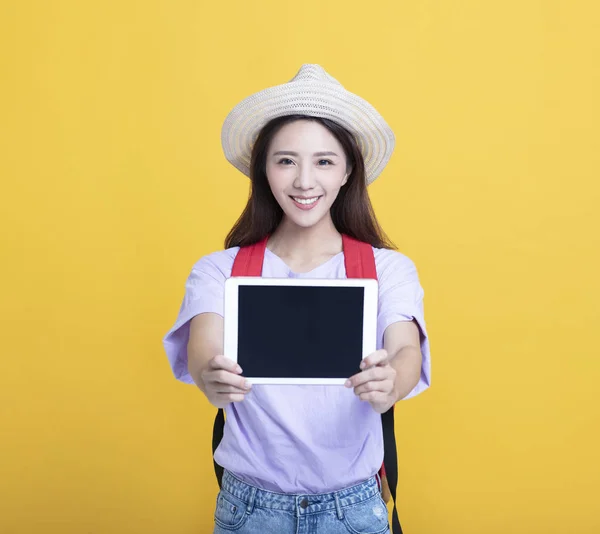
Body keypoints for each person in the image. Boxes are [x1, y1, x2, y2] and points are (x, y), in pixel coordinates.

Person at [163, 64, 431, 534]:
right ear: (264, 170)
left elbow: (406, 346)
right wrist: (212, 377)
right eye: (286, 160)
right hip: (249, 509)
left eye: (324, 161)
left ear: (349, 171)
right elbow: (204, 351)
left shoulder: (387, 269)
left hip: (354, 510)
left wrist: (393, 381)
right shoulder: (219, 270)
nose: (304, 181)